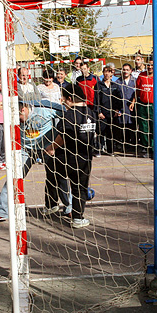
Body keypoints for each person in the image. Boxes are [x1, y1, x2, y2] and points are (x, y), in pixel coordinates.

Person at [0, 98, 69, 224]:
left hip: (47, 147)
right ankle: (0, 211)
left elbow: (68, 113)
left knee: (59, 176)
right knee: (14, 177)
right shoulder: (13, 115)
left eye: (19, 117)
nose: (18, 121)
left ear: (23, 110)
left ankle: (70, 207)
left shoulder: (46, 110)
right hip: (26, 150)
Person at [45, 84, 97, 228]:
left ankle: (51, 204)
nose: (62, 101)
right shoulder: (90, 113)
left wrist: (51, 147)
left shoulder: (69, 114)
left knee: (52, 172)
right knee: (79, 187)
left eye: (63, 98)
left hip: (67, 157)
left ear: (69, 98)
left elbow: (63, 136)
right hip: (85, 158)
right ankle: (77, 218)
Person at [135, 58, 157, 158]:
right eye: (148, 65)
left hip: (155, 105)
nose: (150, 67)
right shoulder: (141, 76)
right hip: (143, 104)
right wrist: (133, 101)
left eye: (152, 65)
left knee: (156, 128)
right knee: (144, 128)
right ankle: (146, 148)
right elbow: (137, 90)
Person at [93, 64, 121, 155]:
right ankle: (99, 149)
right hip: (102, 113)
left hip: (112, 113)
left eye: (108, 72)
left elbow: (119, 99)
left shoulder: (115, 85)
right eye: (105, 71)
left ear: (112, 73)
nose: (107, 74)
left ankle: (110, 150)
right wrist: (98, 112)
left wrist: (117, 110)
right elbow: (96, 99)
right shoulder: (99, 85)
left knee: (111, 132)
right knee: (100, 131)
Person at [116, 63, 137, 153]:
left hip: (132, 108)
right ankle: (125, 144)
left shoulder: (135, 81)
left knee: (133, 127)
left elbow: (137, 94)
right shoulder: (118, 82)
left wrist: (133, 102)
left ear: (131, 71)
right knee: (123, 127)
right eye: (124, 69)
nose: (125, 71)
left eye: (127, 69)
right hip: (122, 108)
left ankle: (134, 145)